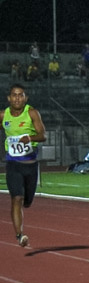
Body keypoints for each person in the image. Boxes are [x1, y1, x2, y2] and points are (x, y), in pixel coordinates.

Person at [3, 84, 46, 247]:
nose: (17, 98)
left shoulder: (31, 113)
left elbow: (43, 135)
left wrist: (31, 138)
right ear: (9, 98)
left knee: (27, 201)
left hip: (30, 165)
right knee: (16, 198)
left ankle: (27, 202)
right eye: (14, 95)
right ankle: (19, 235)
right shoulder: (3, 115)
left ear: (25, 98)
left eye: (20, 95)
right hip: (13, 164)